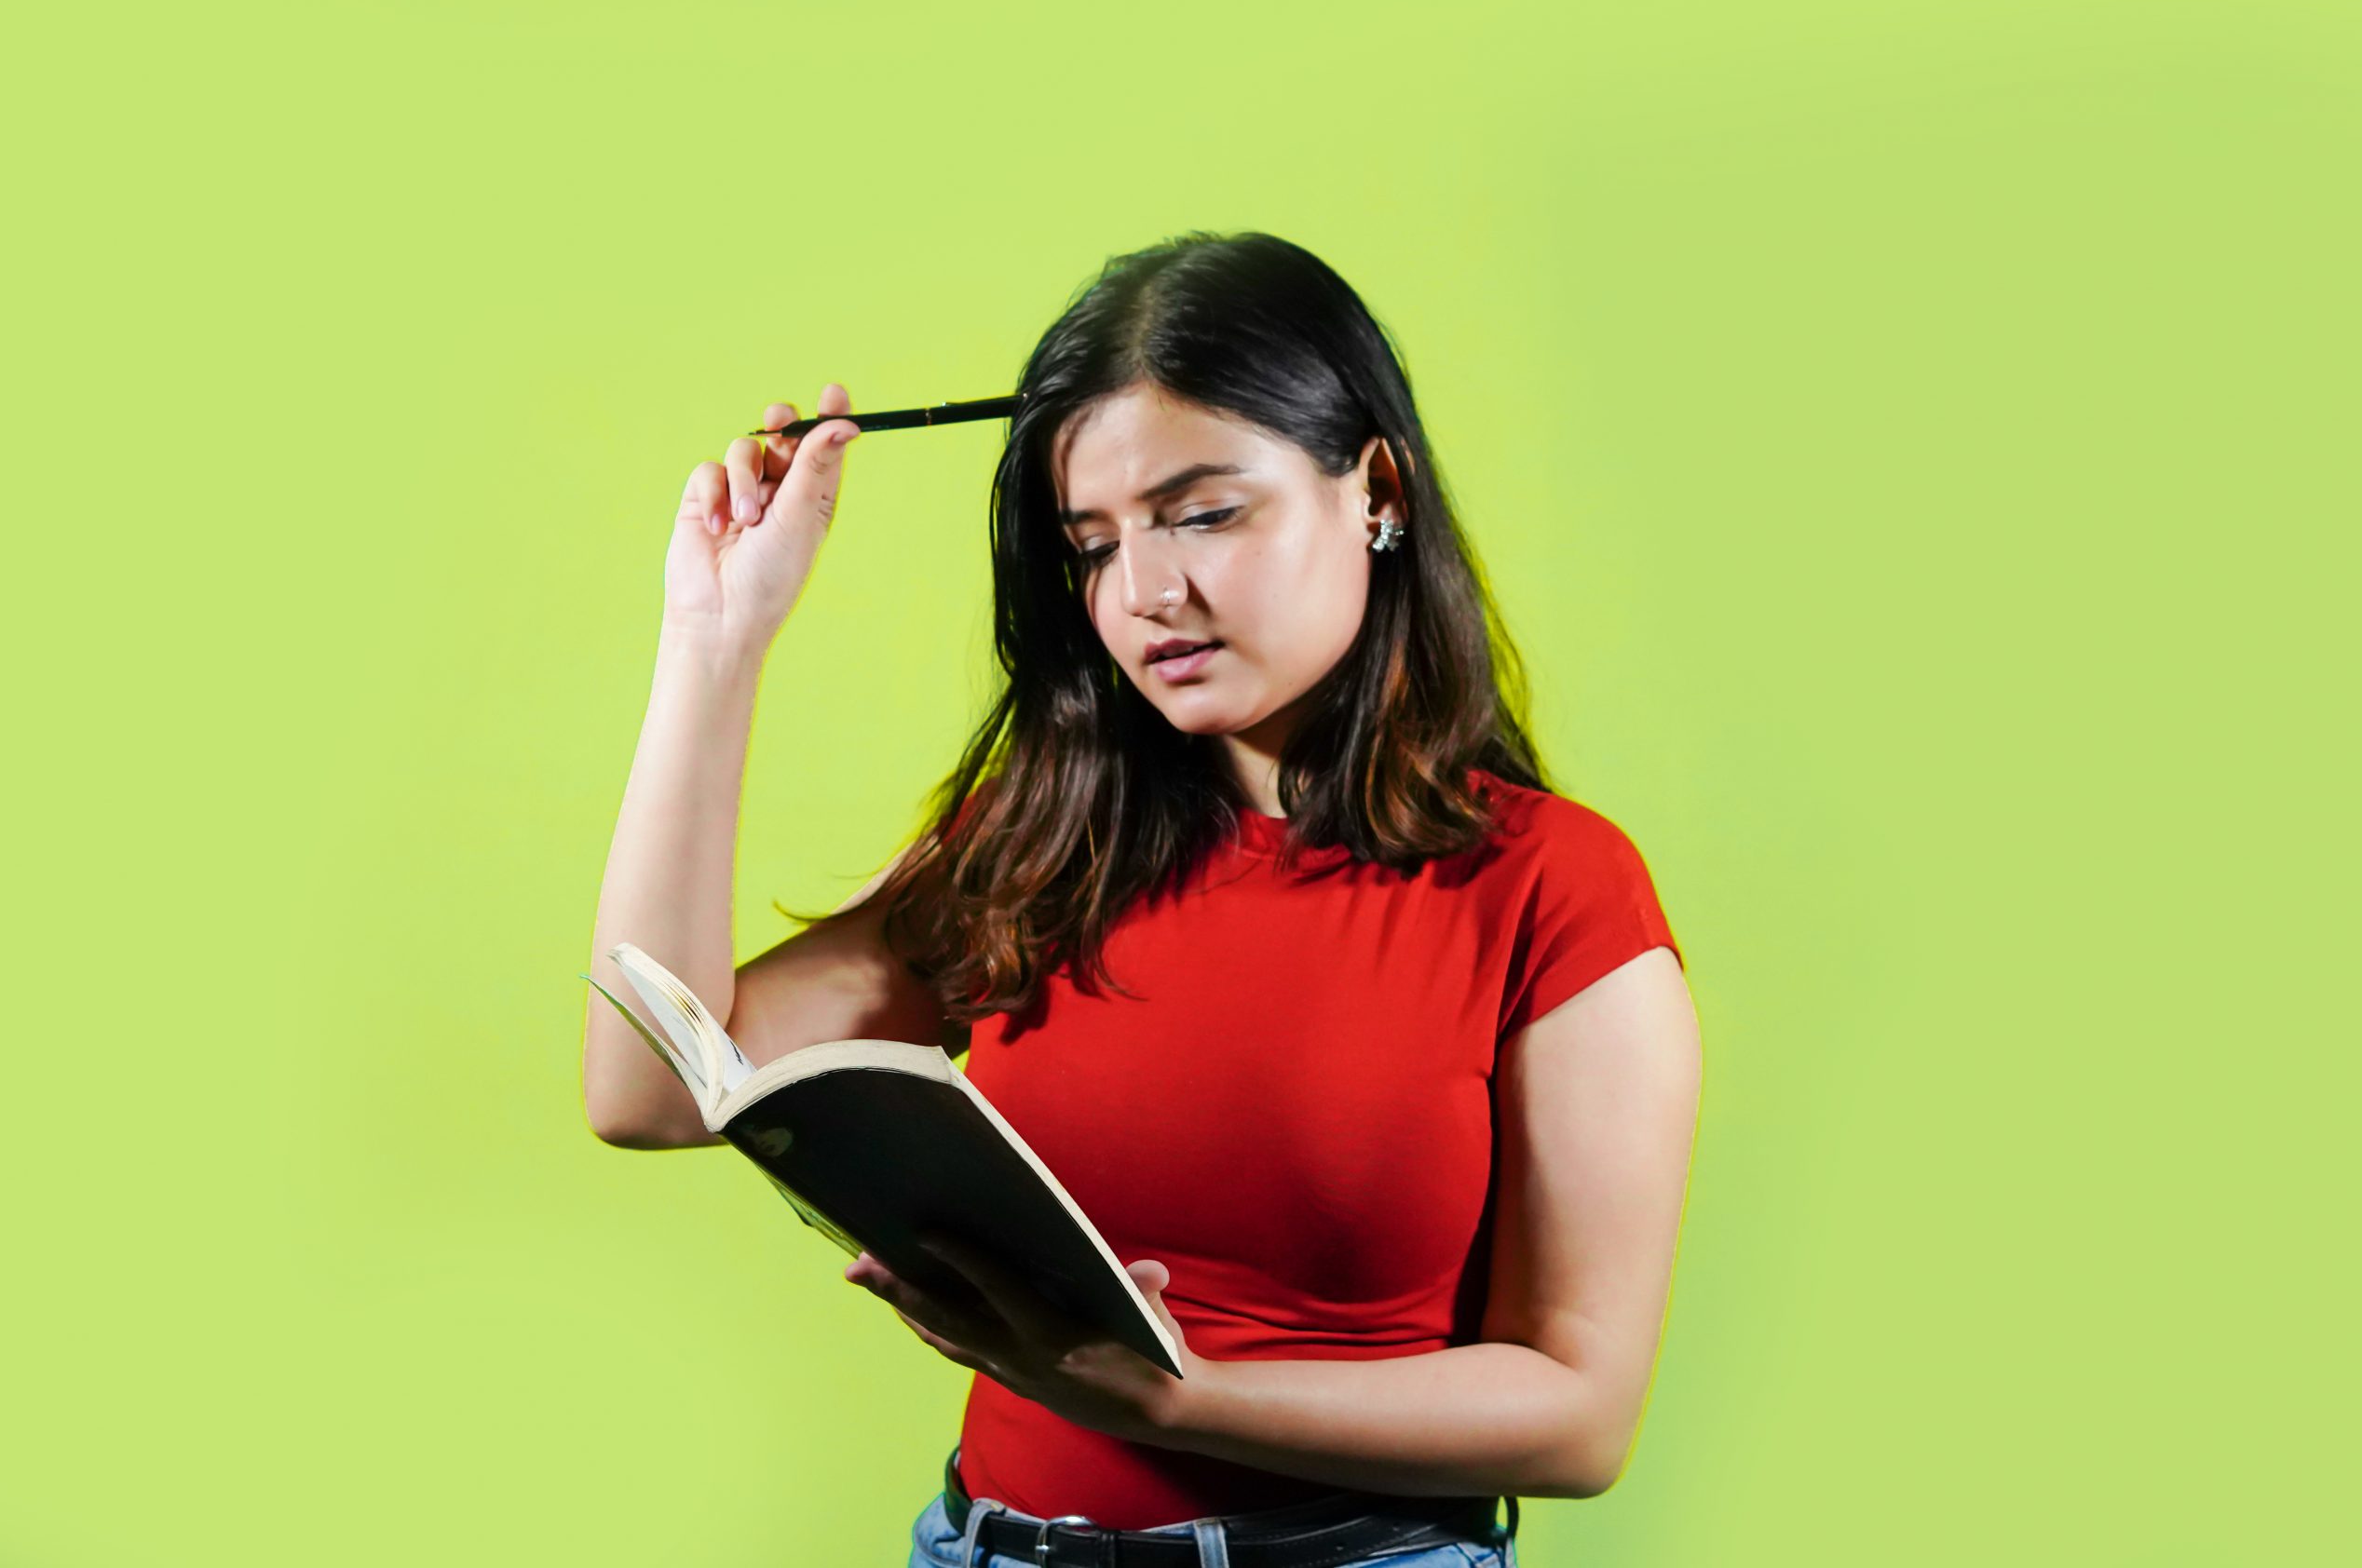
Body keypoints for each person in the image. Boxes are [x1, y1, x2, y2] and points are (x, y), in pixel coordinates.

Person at [581, 231, 1704, 1568]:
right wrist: (715, 642)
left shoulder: (1551, 889)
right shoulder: (1043, 842)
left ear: (1375, 490)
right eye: (1093, 545)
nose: (1147, 595)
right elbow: (651, 1087)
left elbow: (1580, 1416)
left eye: (1206, 512)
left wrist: (1174, 1396)